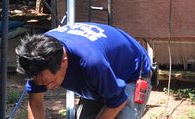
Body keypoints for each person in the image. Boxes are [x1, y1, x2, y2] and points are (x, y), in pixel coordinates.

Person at [16, 22, 152, 119]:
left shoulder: (92, 62)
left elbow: (117, 102)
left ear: (64, 61)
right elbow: (35, 102)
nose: (47, 87)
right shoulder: (36, 59)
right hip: (98, 74)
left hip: (129, 71)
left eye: (49, 82)